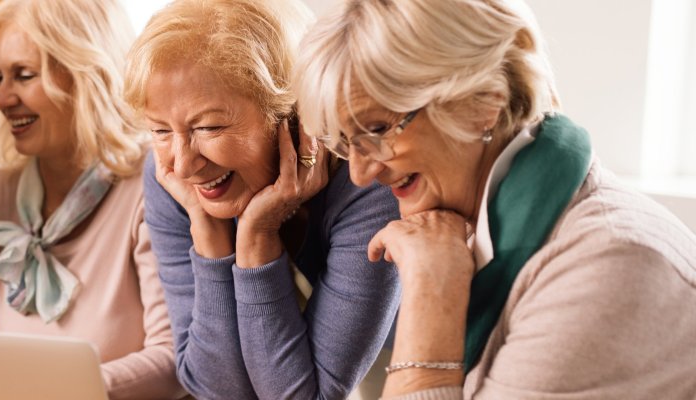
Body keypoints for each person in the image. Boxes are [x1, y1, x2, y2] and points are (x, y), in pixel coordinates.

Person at [293, 0, 696, 398]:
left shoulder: (607, 265)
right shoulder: (462, 226)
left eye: (378, 129)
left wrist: (432, 300)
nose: (361, 174)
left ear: (484, 99)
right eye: (347, 144)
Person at [0, 0, 186, 398]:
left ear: (84, 75)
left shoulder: (155, 187)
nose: (1, 98)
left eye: (23, 76)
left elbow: (174, 359)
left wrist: (54, 389)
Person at [122, 0, 403, 398]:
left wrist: (256, 238)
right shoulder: (171, 178)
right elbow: (214, 389)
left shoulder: (368, 179)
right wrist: (209, 234)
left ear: (290, 114)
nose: (183, 165)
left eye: (210, 127)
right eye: (161, 130)